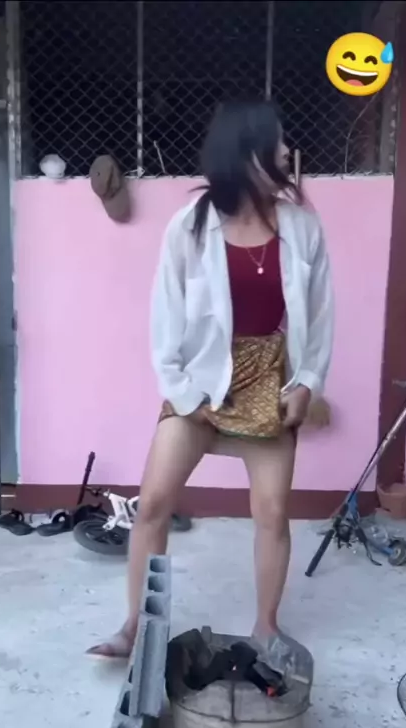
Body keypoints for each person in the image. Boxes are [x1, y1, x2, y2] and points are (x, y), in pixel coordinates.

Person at [87, 99, 333, 660]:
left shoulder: (302, 227)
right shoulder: (190, 226)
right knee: (153, 503)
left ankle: (266, 627)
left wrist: (307, 381)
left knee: (272, 512)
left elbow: (321, 315)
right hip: (200, 377)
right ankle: (135, 626)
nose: (287, 152)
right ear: (247, 153)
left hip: (269, 376)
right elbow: (164, 316)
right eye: (277, 143)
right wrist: (182, 392)